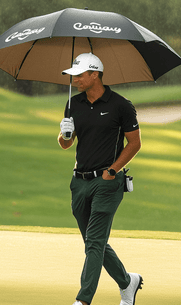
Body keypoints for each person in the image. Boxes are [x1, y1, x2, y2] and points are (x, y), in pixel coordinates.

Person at [58, 53, 143, 305]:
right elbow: (66, 145)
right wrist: (64, 135)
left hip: (107, 182)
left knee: (94, 242)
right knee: (94, 242)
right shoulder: (73, 104)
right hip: (79, 182)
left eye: (79, 75)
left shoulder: (121, 105)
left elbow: (135, 144)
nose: (74, 80)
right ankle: (128, 282)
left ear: (95, 74)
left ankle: (82, 301)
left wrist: (113, 171)